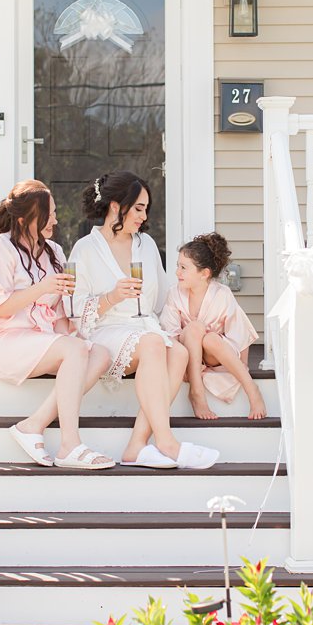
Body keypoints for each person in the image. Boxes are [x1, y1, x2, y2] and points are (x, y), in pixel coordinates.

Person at [68, 170, 218, 469]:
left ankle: (137, 444)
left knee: (178, 352)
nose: (143, 215)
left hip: (144, 327)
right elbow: (74, 312)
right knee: (153, 344)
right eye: (138, 207)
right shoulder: (84, 249)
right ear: (115, 205)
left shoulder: (145, 244)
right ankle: (166, 440)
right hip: (105, 331)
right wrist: (111, 296)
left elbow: (162, 297)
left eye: (146, 209)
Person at [0, 180, 114, 468]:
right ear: (25, 219)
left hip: (39, 339)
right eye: (49, 214)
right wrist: (42, 287)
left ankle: (34, 424)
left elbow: (59, 314)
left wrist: (73, 345)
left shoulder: (55, 252)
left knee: (99, 353)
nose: (56, 220)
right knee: (74, 351)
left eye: (55, 212)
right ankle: (69, 445)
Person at [161, 232, 267, 421]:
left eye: (184, 268)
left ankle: (252, 389)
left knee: (209, 338)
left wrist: (242, 364)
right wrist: (181, 367)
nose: (177, 272)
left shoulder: (222, 294)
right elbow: (171, 335)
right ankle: (196, 392)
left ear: (204, 274)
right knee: (194, 328)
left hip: (213, 353)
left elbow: (239, 330)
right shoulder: (174, 294)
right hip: (187, 353)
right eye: (178, 266)